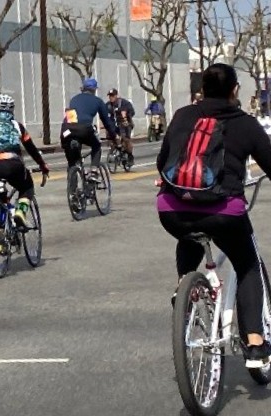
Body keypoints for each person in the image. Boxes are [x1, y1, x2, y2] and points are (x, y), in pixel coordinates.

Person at [157, 63, 271, 368]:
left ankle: (184, 283)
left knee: (190, 232)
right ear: (235, 90)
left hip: (172, 209)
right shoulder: (245, 124)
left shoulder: (183, 116)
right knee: (247, 265)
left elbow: (162, 161)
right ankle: (256, 344)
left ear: (202, 89)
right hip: (224, 212)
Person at [0, 94, 50, 249]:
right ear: (12, 109)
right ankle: (20, 213)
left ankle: (0, 236)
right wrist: (42, 165)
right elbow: (31, 149)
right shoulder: (17, 125)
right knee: (27, 187)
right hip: (11, 164)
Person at [60, 77, 118, 176]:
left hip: (66, 130)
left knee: (72, 163)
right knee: (96, 145)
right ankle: (94, 171)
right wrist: (113, 136)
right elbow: (106, 122)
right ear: (94, 89)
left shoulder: (74, 99)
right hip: (84, 129)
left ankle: (72, 189)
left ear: (83, 88)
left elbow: (70, 119)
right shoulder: (98, 101)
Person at [106, 88, 136, 165]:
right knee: (111, 138)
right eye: (110, 96)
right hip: (114, 125)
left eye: (112, 96)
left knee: (126, 139)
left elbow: (132, 112)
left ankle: (130, 156)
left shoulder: (124, 103)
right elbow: (105, 116)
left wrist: (126, 116)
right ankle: (116, 149)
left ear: (116, 96)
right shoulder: (108, 105)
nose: (111, 98)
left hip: (125, 124)